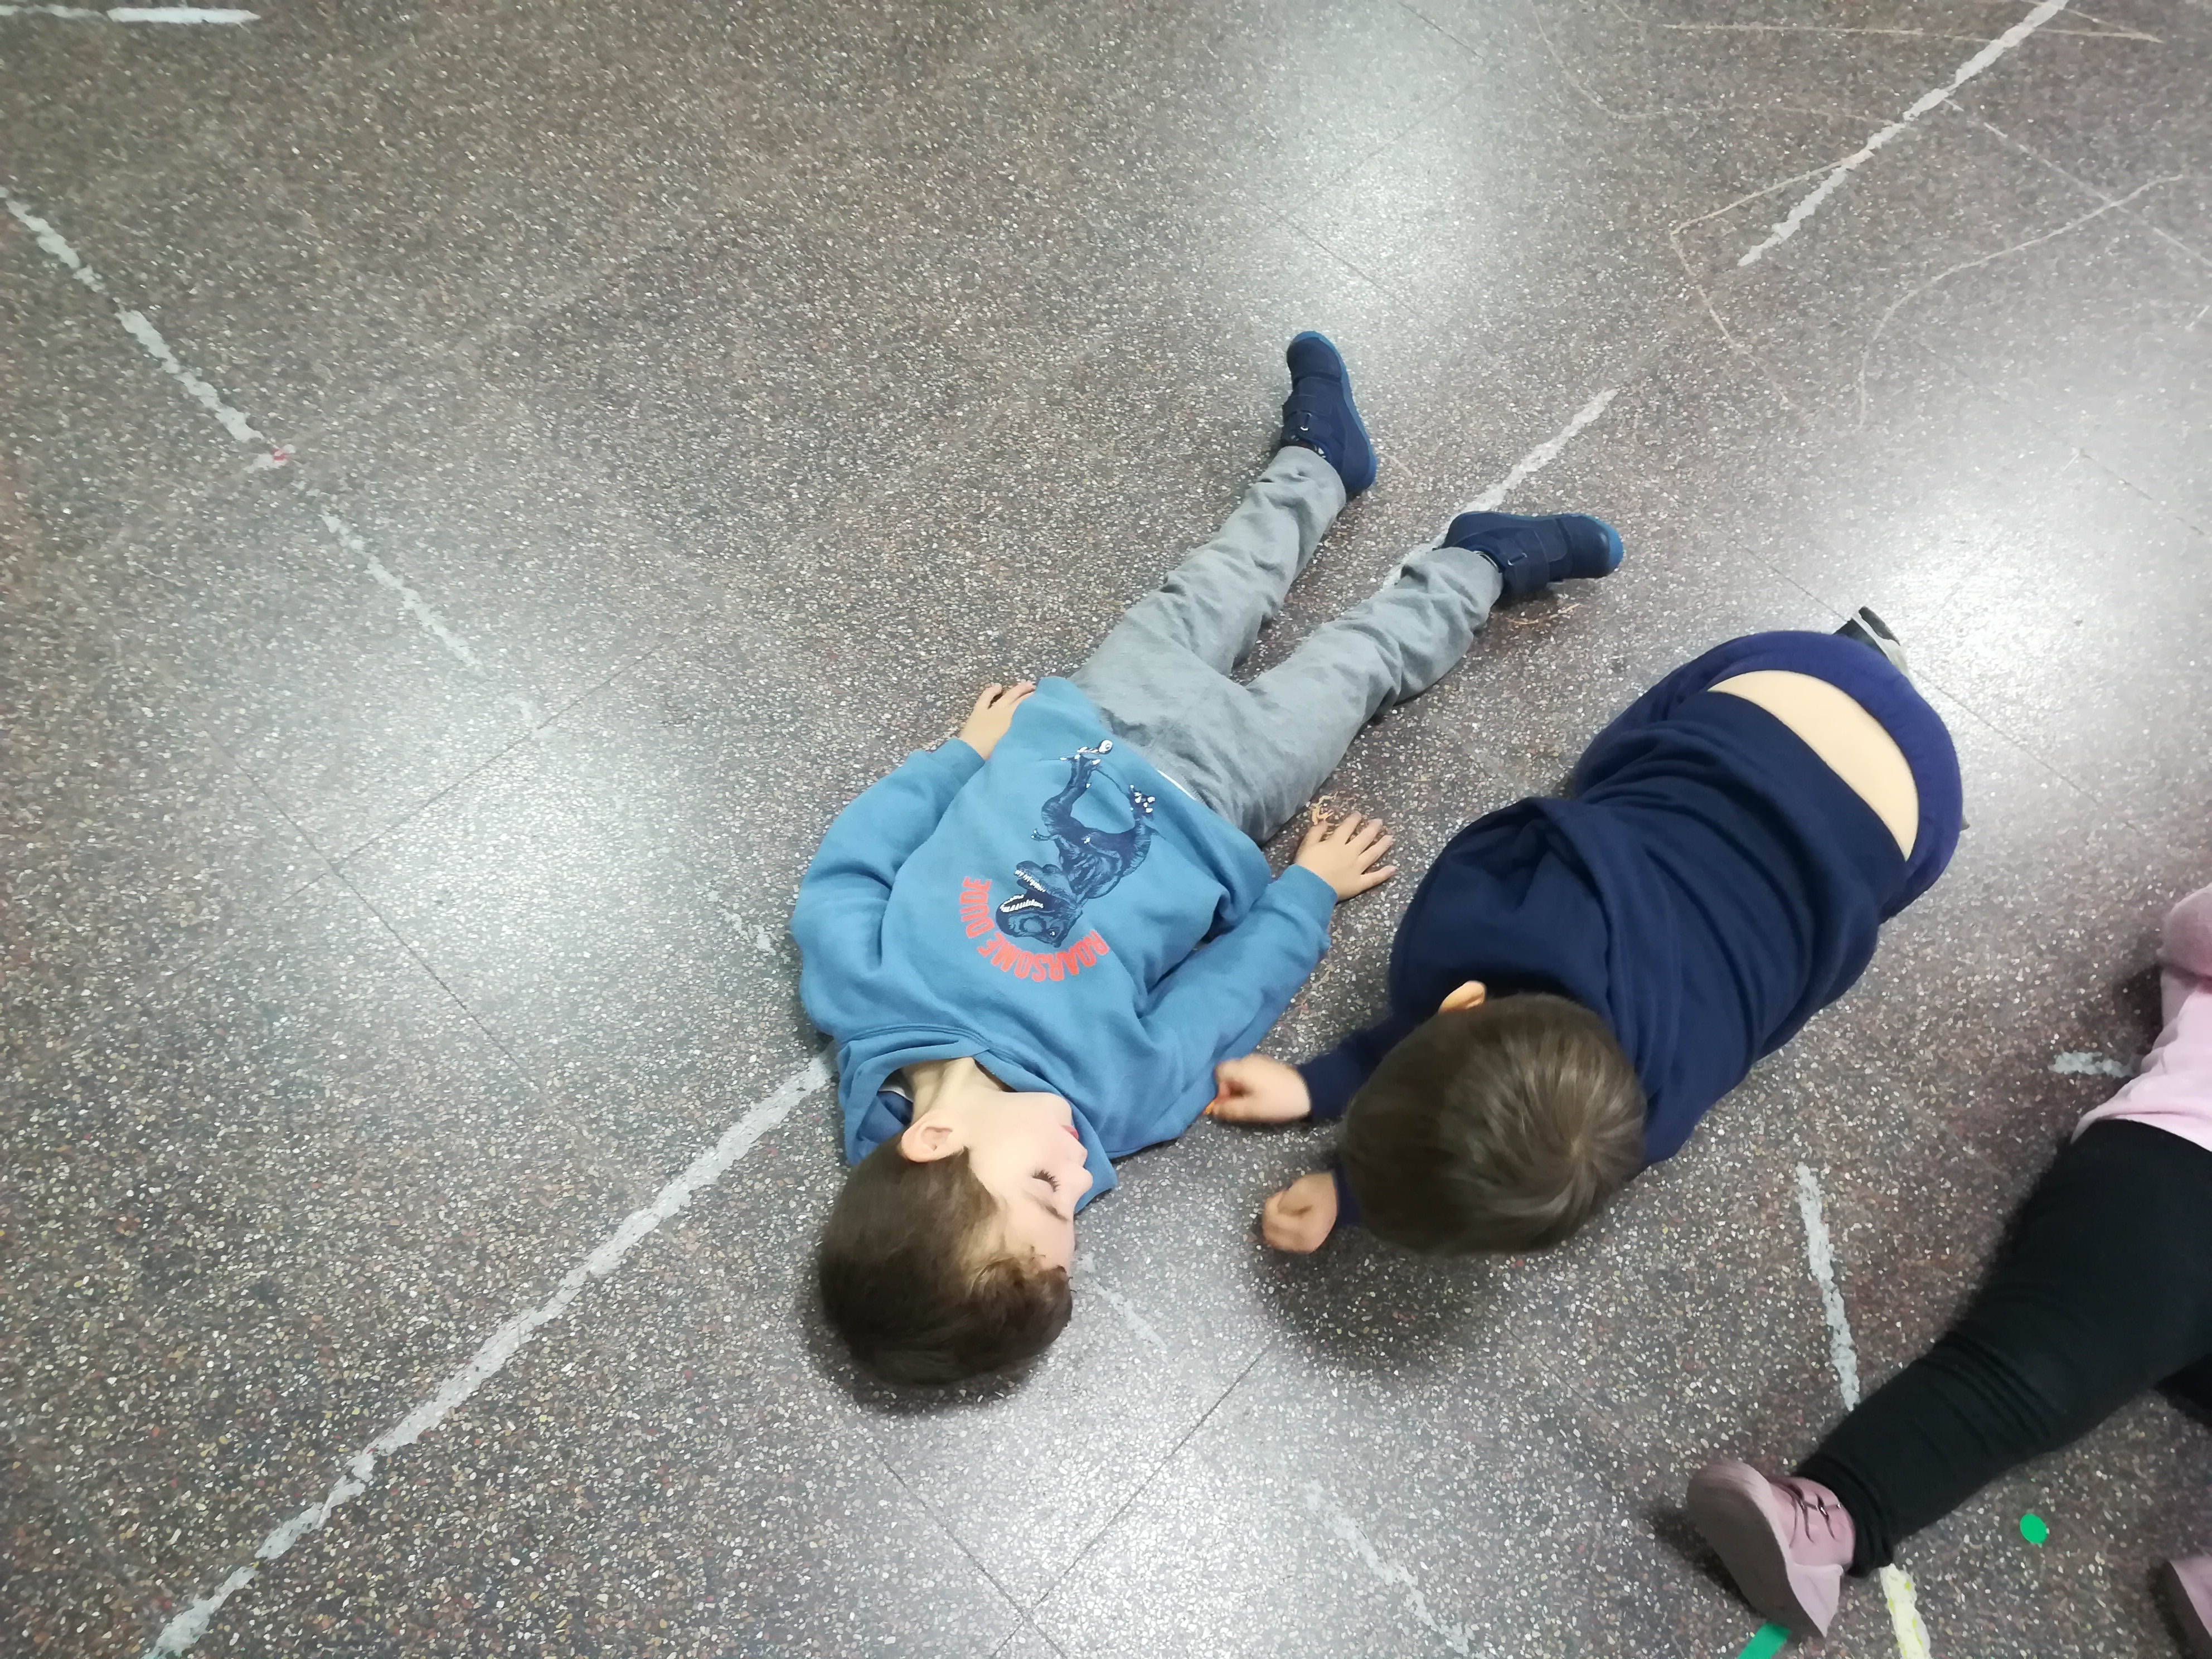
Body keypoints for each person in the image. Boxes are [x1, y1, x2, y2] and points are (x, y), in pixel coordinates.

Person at [794, 333, 1623, 1384]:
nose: (1079, 1180)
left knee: (1222, 579)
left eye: (1045, 1193)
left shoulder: (862, 995)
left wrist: (962, 756)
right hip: (1225, 793)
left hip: (1087, 723)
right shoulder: (1117, 1103)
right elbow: (1222, 1003)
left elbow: (858, 861)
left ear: (929, 1143)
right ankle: (1482, 566)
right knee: (1357, 666)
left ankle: (1319, 464)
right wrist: (1305, 894)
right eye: (1073, 1214)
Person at [1206, 612, 1963, 1257]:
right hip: (1806, 695)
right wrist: (1322, 1108)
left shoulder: (1657, 1119)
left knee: (1824, 912)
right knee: (1603, 771)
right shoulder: (1479, 918)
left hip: (1905, 815)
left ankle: (1877, 685)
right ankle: (1874, 676)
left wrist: (1343, 1162)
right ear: (1463, 1001)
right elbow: (1450, 1051)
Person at [1685, 880, 2212, 1650]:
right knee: (2034, 1370)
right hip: (2190, 1165)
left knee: (2047, 1368)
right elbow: (2193, 929)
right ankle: (1826, 1521)